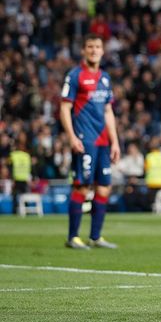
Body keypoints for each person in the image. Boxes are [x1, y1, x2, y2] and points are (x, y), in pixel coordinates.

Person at [60, 33, 120, 250]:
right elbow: (64, 108)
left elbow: (108, 111)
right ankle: (73, 237)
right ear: (84, 50)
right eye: (90, 47)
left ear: (103, 51)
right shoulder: (75, 75)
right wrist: (71, 137)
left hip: (104, 141)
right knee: (82, 188)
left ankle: (95, 237)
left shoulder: (105, 77)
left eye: (97, 47)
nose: (94, 50)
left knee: (104, 188)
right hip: (85, 140)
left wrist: (115, 142)